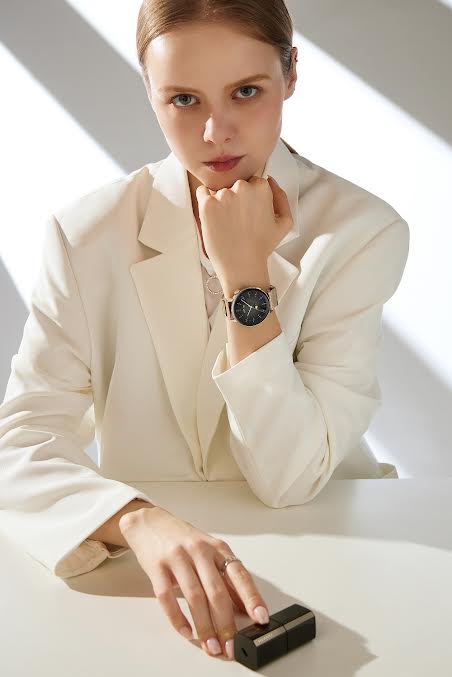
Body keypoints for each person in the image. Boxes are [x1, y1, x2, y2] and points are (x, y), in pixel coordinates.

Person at [0, 0, 409, 662]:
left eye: (246, 91)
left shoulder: (361, 232)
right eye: (184, 99)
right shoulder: (84, 235)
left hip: (337, 548)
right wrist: (139, 520)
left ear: (291, 74)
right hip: (152, 581)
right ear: (149, 92)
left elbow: (288, 479)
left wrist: (246, 280)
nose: (216, 131)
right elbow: (19, 443)